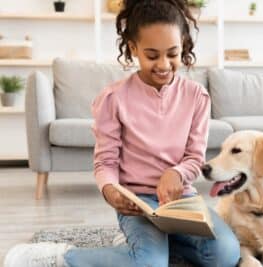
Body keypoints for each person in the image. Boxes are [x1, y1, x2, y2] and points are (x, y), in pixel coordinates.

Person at [4, 0, 241, 266]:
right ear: (133, 48)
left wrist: (176, 173)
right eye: (152, 55)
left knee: (226, 255)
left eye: (172, 53)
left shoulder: (197, 96)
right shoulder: (114, 98)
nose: (164, 64)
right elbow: (105, 162)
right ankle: (61, 257)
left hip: (180, 203)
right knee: (149, 264)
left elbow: (195, 158)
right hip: (136, 204)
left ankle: (149, 248)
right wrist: (110, 190)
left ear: (183, 45)